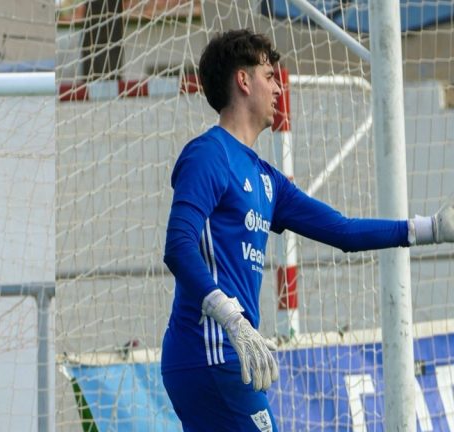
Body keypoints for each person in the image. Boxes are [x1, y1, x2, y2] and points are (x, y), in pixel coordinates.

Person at [160, 28, 454, 432]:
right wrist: (231, 316)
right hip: (209, 350)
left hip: (226, 352)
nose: (278, 88)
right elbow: (178, 246)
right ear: (243, 81)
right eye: (269, 76)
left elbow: (343, 231)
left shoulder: (266, 178)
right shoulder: (209, 154)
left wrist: (431, 228)